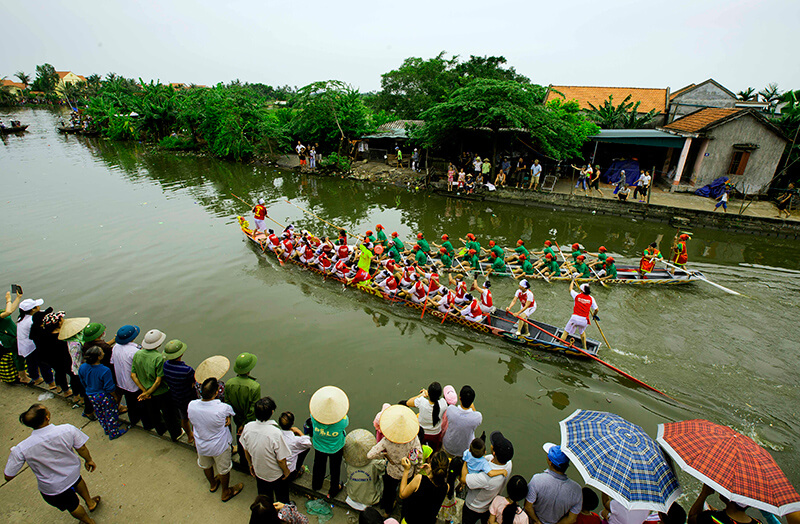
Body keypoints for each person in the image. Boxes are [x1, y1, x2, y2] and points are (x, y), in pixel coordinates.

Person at [4, 404, 100, 524]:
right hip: (72, 473)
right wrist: (88, 460)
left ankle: (88, 522)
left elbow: (9, 475)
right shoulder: (67, 429)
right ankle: (90, 503)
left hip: (53, 487)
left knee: (72, 506)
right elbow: (81, 448)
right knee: (78, 482)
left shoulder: (22, 449)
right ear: (47, 417)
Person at [188, 377, 243, 502]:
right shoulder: (223, 408)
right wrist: (227, 418)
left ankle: (213, 484)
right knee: (224, 469)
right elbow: (230, 414)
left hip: (201, 444)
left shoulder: (192, 405)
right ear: (217, 392)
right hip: (219, 446)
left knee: (205, 465)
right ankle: (225, 492)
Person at [367, 404, 423, 517]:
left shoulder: (387, 441)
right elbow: (419, 456)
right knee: (407, 494)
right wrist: (416, 471)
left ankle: (387, 511)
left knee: (389, 492)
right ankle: (404, 511)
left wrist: (385, 456)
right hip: (408, 471)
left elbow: (370, 455)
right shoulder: (413, 439)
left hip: (392, 471)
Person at [130, 329, 183, 441]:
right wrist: (149, 392)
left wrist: (145, 391)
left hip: (146, 390)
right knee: (169, 414)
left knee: (153, 412)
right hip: (161, 391)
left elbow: (133, 375)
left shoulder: (138, 354)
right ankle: (176, 434)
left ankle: (160, 430)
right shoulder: (159, 358)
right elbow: (158, 380)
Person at [241, 397, 291, 503]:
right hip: (276, 474)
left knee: (265, 499)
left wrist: (250, 464)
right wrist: (286, 471)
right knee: (282, 499)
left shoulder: (248, 427)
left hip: (259, 472)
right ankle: (283, 511)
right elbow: (281, 460)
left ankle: (267, 511)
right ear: (272, 412)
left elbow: (246, 450)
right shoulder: (275, 433)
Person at [461, 431, 515, 524]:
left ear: (494, 452)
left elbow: (463, 479)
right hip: (490, 504)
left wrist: (467, 460)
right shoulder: (508, 464)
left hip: (474, 506)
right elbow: (486, 459)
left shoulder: (486, 477)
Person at [524, 443, 582, 524]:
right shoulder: (577, 490)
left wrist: (537, 521)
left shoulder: (537, 480)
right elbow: (571, 519)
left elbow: (528, 507)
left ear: (550, 462)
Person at [78, 347, 127, 440]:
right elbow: (109, 387)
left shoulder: (83, 367)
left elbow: (82, 381)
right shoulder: (105, 370)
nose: (103, 353)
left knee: (100, 413)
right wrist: (115, 396)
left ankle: (107, 429)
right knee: (110, 414)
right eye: (101, 352)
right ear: (98, 357)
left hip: (91, 394)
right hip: (103, 395)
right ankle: (114, 433)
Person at [310, 385, 349, 499]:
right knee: (335, 469)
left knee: (318, 466)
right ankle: (333, 490)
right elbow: (345, 421)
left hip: (319, 445)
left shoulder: (314, 417)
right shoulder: (342, 421)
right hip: (335, 447)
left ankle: (316, 485)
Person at [225, 352, 261, 468]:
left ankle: (243, 461)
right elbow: (253, 409)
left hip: (237, 418)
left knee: (239, 437)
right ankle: (250, 464)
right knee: (250, 441)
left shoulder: (229, 383)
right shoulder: (254, 386)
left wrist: (237, 421)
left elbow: (227, 403)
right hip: (249, 421)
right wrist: (244, 424)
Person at [399, 451, 450, 524]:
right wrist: (429, 472)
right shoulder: (446, 487)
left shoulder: (419, 479)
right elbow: (431, 494)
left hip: (410, 520)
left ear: (431, 465)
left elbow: (402, 495)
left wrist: (406, 470)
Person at [111, 325, 146, 427]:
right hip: (134, 383)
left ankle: (133, 420)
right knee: (141, 404)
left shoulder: (116, 347)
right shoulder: (135, 351)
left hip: (121, 381)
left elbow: (112, 361)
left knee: (130, 402)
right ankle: (145, 422)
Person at [163, 339, 197, 444]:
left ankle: (189, 436)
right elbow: (194, 381)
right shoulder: (187, 370)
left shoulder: (166, 365)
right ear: (181, 354)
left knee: (184, 418)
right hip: (189, 398)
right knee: (195, 420)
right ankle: (196, 438)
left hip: (176, 397)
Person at [343, 429, 386, 511]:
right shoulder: (375, 463)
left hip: (353, 495)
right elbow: (384, 468)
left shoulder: (348, 462)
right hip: (371, 499)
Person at [18, 297, 55, 388]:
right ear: (33, 309)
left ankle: (36, 378)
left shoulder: (21, 318)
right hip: (33, 346)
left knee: (31, 363)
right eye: (37, 306)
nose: (39, 307)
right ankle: (51, 383)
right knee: (44, 365)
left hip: (24, 346)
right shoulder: (31, 321)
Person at [442, 385, 483, 457]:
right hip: (465, 450)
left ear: (460, 398)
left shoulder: (451, 409)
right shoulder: (477, 417)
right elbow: (474, 412)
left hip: (448, 446)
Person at [688, 484, 761, 524]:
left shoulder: (711, 518)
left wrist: (704, 493)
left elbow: (692, 519)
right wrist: (719, 513)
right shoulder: (758, 523)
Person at [405, 382, 447, 450]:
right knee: (434, 449)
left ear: (429, 393)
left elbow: (408, 402)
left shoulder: (422, 402)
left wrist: (422, 395)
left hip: (422, 432)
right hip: (435, 433)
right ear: (440, 394)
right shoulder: (443, 404)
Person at [564, 281, 598, 351]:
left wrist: (572, 281)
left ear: (581, 290)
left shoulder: (576, 295)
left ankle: (559, 343)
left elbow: (570, 289)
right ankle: (584, 348)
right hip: (584, 320)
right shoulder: (591, 298)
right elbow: (596, 309)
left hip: (575, 318)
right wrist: (594, 315)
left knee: (566, 332)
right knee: (582, 332)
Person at [278, 411, 312, 481]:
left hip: (275, 469)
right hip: (288, 472)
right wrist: (299, 432)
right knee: (306, 448)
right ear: (293, 423)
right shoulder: (295, 440)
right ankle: (297, 470)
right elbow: (308, 444)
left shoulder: (275, 435)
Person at [1, 290, 23, 384]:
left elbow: (10, 310)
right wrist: (8, 300)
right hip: (9, 338)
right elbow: (8, 312)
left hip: (13, 336)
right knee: (17, 356)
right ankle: (22, 376)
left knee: (19, 355)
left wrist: (18, 297)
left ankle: (22, 373)